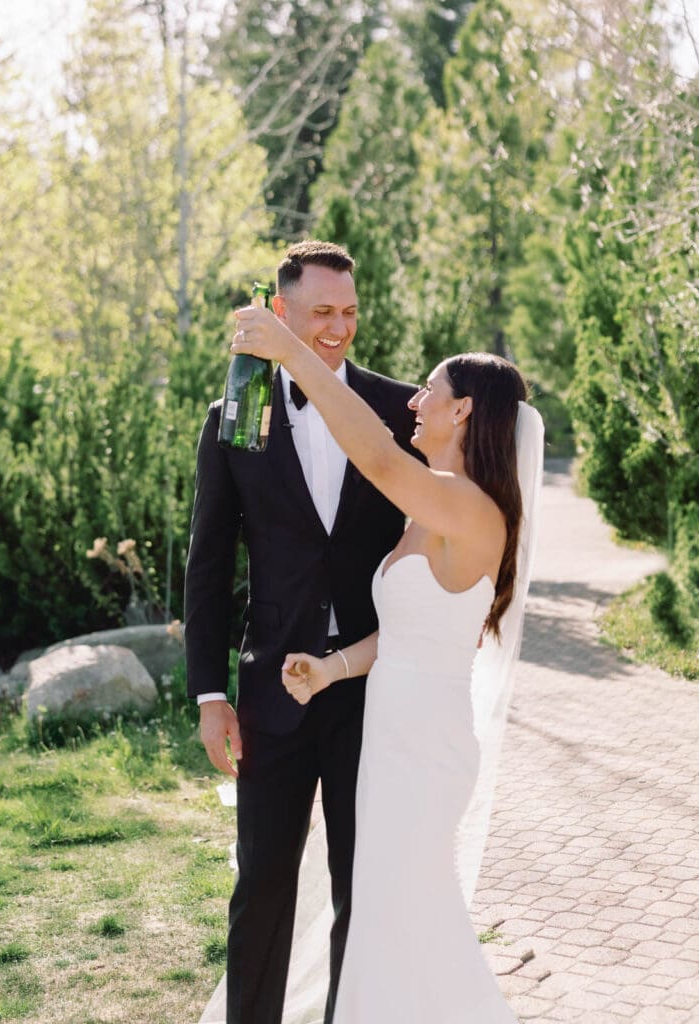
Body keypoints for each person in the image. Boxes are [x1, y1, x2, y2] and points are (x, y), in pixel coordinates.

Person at [230, 303, 543, 1022]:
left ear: (462, 411)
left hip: (425, 750)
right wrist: (329, 669)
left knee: (412, 917)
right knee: (382, 915)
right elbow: (409, 632)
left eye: (430, 390)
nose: (415, 400)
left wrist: (290, 350)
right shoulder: (431, 511)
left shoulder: (467, 509)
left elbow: (372, 455)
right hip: (392, 741)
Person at [184, 240, 420, 1024]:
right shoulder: (233, 418)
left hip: (373, 690)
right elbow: (207, 565)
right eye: (321, 312)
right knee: (262, 885)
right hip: (269, 694)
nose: (338, 327)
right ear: (278, 313)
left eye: (350, 311)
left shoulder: (400, 408)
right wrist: (210, 695)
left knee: (365, 885)